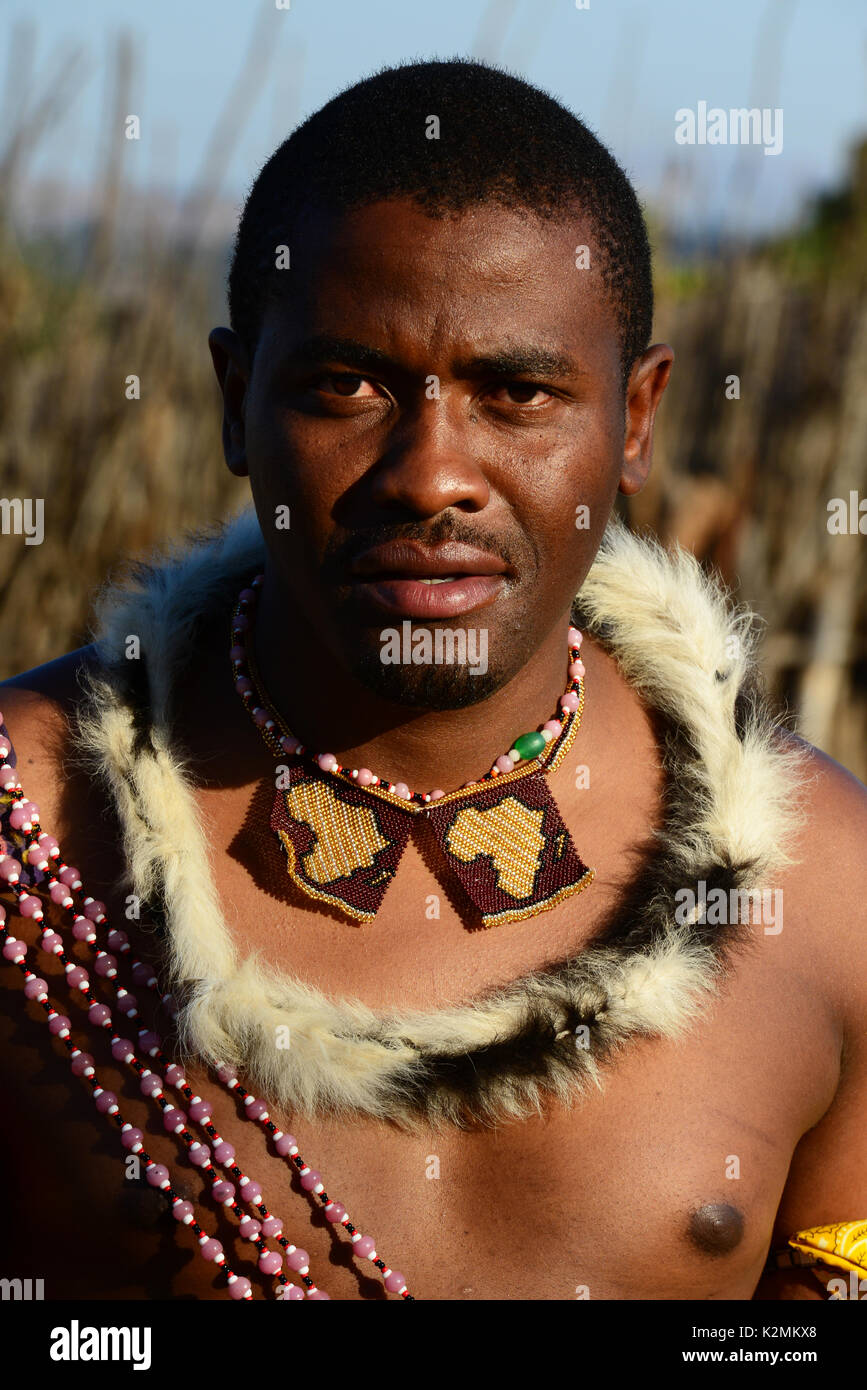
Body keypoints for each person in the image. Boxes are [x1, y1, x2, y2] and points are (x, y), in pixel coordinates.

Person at [1, 59, 865, 1303]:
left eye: (517, 392)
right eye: (347, 384)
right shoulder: (30, 839)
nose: (430, 474)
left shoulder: (828, 892)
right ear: (238, 402)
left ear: (634, 421)